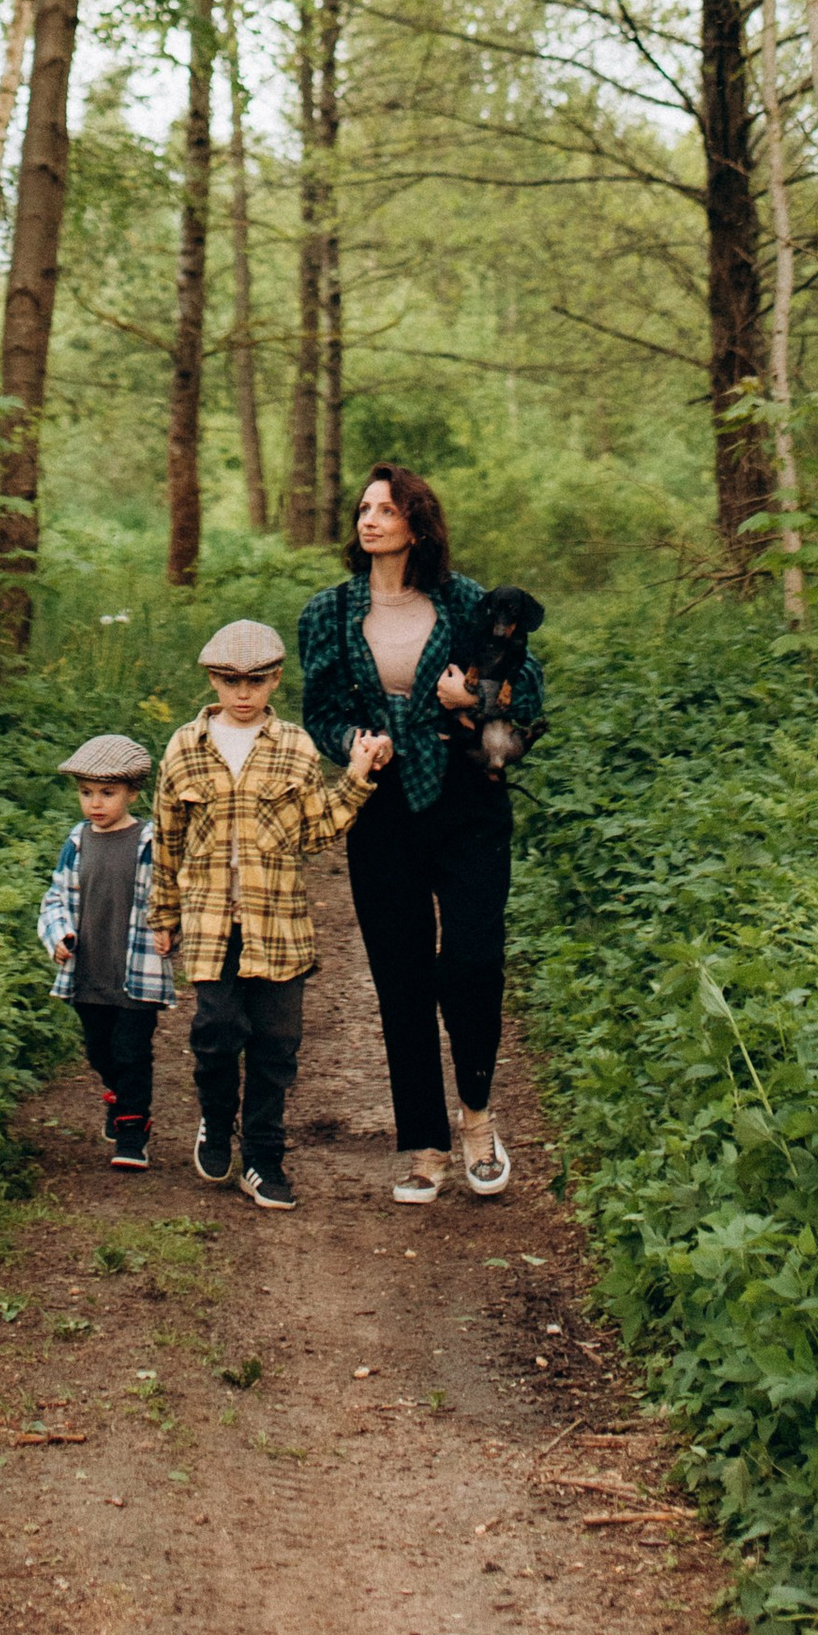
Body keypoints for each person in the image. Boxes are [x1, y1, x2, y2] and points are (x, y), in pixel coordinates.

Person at [297, 464, 546, 1204]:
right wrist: (353, 744)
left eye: (386, 509)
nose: (369, 520)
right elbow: (319, 711)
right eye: (363, 509)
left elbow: (527, 693)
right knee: (400, 977)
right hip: (382, 810)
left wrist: (472, 695)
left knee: (471, 964)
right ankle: (426, 1144)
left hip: (469, 803)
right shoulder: (329, 611)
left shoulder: (468, 601)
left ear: (416, 522)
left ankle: (476, 1116)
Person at [149, 618, 392, 1213]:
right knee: (215, 1032)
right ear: (211, 678)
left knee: (277, 1043)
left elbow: (316, 830)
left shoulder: (297, 747)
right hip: (209, 922)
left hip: (278, 924)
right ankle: (214, 1120)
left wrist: (357, 778)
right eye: (229, 680)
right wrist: (164, 913)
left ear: (275, 680)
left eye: (255, 680)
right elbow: (167, 837)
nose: (242, 692)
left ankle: (263, 1156)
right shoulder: (185, 746)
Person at [38, 732, 175, 1168]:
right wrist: (60, 936)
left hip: (138, 969)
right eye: (86, 793)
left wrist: (170, 925)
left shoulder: (149, 842)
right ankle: (118, 1099)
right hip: (89, 972)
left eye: (108, 793)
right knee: (100, 1050)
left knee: (131, 1051)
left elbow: (171, 893)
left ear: (133, 792)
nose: (95, 803)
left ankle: (133, 1133)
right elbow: (55, 897)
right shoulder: (78, 841)